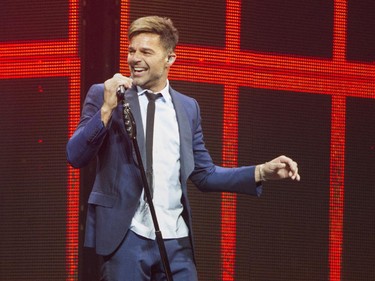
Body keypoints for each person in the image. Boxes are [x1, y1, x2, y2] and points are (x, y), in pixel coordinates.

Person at [66, 15, 300, 281]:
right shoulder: (105, 94)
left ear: (170, 59)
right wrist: (107, 109)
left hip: (176, 242)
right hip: (125, 237)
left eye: (146, 52)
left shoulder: (188, 108)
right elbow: (75, 155)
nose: (134, 58)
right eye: (132, 51)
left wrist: (260, 172)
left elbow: (204, 174)